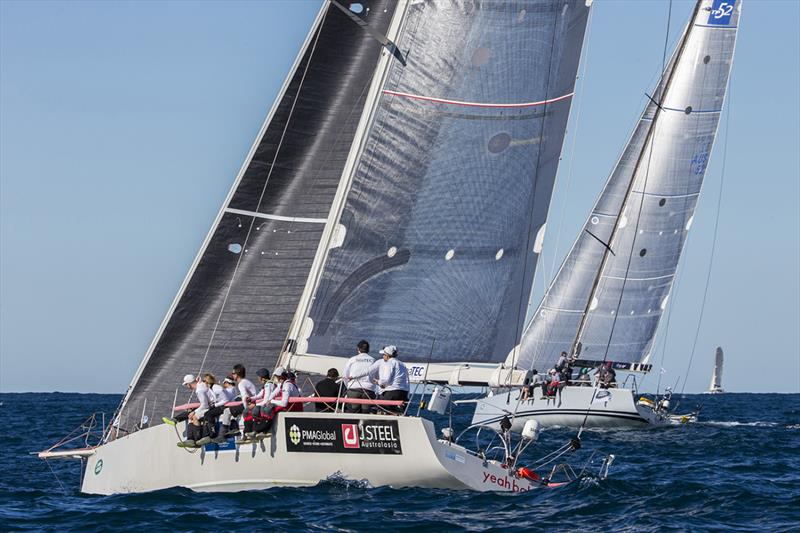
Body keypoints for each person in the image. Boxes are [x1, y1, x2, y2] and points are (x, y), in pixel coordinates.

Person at [355, 345, 409, 414]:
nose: (383, 356)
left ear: (387, 355)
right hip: (403, 393)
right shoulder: (402, 364)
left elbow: (385, 380)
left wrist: (378, 382)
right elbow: (407, 381)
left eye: (383, 354)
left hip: (391, 393)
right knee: (395, 410)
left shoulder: (389, 363)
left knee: (374, 408)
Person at [251, 367, 301, 438]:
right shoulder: (282, 383)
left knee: (268, 408)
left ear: (280, 376)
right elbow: (274, 393)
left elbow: (284, 403)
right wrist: (269, 400)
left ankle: (265, 431)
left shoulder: (287, 385)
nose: (276, 378)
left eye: (277, 376)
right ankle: (259, 430)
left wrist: (271, 401)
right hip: (289, 405)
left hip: (294, 407)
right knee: (264, 408)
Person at [219, 364, 257, 439]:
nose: (232, 375)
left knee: (227, 411)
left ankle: (222, 434)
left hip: (251, 404)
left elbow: (245, 397)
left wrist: (247, 408)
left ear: (237, 374)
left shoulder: (241, 384)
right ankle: (235, 429)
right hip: (253, 402)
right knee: (232, 408)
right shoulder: (245, 382)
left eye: (233, 373)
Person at [342, 340, 378, 414]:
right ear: (368, 349)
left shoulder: (352, 359)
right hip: (368, 390)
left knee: (353, 412)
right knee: (365, 413)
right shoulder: (373, 360)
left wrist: (348, 386)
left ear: (358, 349)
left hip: (353, 388)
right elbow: (377, 376)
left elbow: (345, 375)